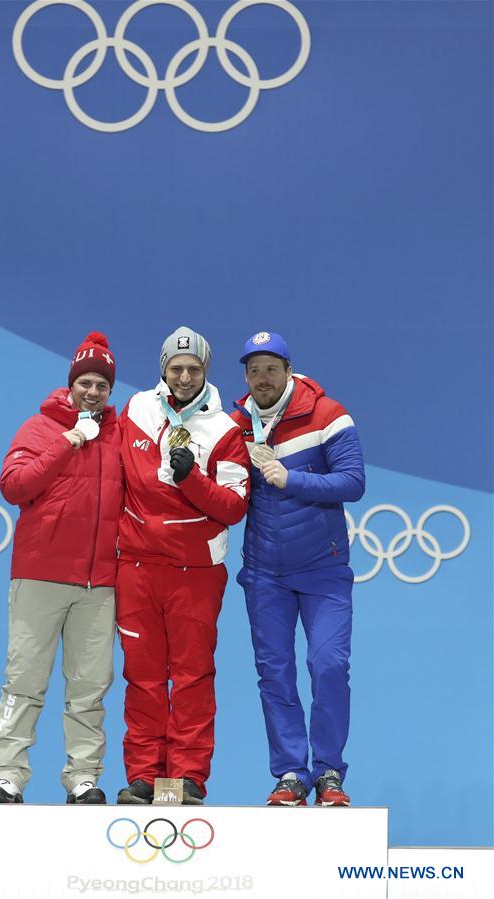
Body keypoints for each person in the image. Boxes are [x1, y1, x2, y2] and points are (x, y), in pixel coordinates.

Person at [0, 332, 123, 805]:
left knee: (89, 688)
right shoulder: (39, 428)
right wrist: (67, 441)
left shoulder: (119, 436)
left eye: (102, 385)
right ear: (70, 385)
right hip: (40, 574)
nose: (93, 392)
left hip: (99, 583)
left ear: (110, 392)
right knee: (24, 680)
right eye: (85, 382)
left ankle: (83, 777)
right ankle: (9, 775)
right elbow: (14, 486)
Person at [115, 326, 250, 806]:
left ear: (206, 371)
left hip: (194, 572)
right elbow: (116, 478)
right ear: (163, 369)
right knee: (143, 676)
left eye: (194, 368)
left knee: (191, 676)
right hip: (136, 566)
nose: (185, 376)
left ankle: (184, 781)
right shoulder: (136, 410)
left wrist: (190, 477)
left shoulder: (226, 430)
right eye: (177, 368)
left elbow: (233, 507)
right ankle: (146, 778)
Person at [230, 331, 365, 808]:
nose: (261, 378)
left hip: (323, 569)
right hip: (265, 574)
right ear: (245, 376)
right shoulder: (236, 423)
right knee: (275, 674)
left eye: (271, 368)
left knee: (329, 665)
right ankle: (290, 772)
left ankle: (328, 770)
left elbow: (353, 482)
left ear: (289, 370)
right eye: (253, 370)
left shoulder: (328, 414)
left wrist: (290, 479)